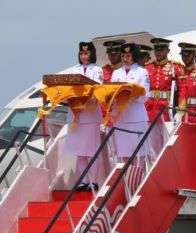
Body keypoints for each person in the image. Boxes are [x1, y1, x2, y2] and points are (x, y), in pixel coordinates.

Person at [62, 41, 104, 189]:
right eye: (81, 53)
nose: (84, 56)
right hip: (76, 115)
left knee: (92, 150)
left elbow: (97, 88)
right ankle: (84, 180)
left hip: (90, 115)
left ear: (92, 54)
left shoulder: (97, 70)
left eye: (86, 53)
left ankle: (93, 181)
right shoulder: (72, 70)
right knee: (79, 152)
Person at [144, 37, 183, 164]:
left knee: (168, 144)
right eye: (156, 49)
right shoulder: (148, 67)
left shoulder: (175, 67)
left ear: (167, 50)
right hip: (151, 110)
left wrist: (180, 109)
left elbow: (183, 89)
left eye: (161, 49)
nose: (158, 52)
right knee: (152, 145)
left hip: (167, 110)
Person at [110, 43, 150, 163]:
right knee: (123, 154)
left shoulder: (142, 72)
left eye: (128, 56)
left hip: (136, 117)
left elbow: (145, 95)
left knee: (139, 154)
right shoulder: (116, 73)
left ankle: (139, 180)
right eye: (123, 56)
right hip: (120, 118)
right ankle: (126, 180)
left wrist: (129, 96)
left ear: (134, 56)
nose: (125, 59)